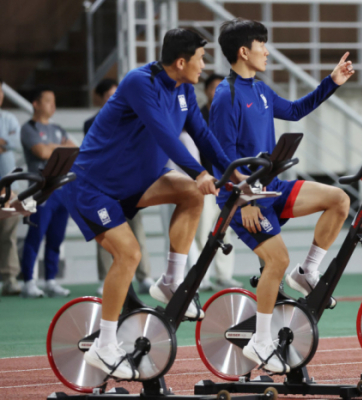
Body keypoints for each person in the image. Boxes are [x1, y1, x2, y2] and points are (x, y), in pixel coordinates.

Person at [61, 28, 243, 380]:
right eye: (201, 58)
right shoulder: (138, 83)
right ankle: (105, 344)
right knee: (129, 254)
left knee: (191, 194)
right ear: (180, 62)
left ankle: (171, 281)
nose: (205, 66)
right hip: (94, 188)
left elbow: (202, 136)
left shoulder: (184, 89)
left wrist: (236, 175)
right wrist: (198, 172)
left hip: (138, 184)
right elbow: (163, 132)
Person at [210, 18, 352, 374]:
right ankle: (260, 340)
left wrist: (331, 82)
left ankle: (309, 271)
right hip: (242, 199)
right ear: (244, 51)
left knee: (339, 200)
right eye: (262, 45)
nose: (267, 51)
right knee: (276, 262)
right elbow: (221, 158)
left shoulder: (259, 89)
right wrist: (243, 201)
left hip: (271, 189)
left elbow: (295, 110)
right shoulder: (225, 97)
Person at [84, 78, 154, 296]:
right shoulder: (91, 123)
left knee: (137, 230)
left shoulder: (131, 116)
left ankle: (145, 276)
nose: (111, 98)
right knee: (104, 232)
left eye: (114, 94)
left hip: (129, 183)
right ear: (100, 98)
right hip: (102, 185)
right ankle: (105, 277)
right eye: (106, 95)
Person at [19, 86, 77, 298]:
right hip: (39, 191)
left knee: (56, 237)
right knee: (35, 235)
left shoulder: (59, 128)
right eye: (47, 101)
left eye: (54, 101)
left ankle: (50, 280)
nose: (52, 105)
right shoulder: (29, 128)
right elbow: (40, 151)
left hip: (61, 191)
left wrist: (52, 147)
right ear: (35, 103)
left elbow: (73, 150)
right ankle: (28, 281)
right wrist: (57, 147)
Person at [198, 73, 241, 291]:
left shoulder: (230, 113)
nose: (218, 93)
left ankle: (224, 276)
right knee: (203, 231)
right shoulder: (198, 116)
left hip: (227, 184)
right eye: (215, 88)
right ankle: (201, 277)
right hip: (207, 182)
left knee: (226, 230)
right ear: (206, 91)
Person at [0, 78, 23, 296]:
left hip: (8, 187)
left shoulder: (8, 118)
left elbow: (15, 142)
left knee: (9, 233)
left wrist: (4, 143)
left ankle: (9, 278)